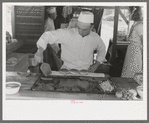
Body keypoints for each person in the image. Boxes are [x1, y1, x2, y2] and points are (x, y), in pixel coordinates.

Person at [34, 11, 106, 72]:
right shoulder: (67, 34)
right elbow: (48, 35)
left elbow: (102, 49)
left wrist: (96, 64)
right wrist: (39, 52)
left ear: (91, 27)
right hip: (67, 70)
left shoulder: (95, 37)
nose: (80, 31)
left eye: (84, 30)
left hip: (87, 70)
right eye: (79, 28)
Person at [121, 6, 143, 78]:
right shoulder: (135, 24)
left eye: (128, 13)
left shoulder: (140, 26)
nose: (127, 15)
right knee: (128, 71)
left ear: (134, 13)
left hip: (136, 54)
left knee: (133, 73)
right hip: (131, 52)